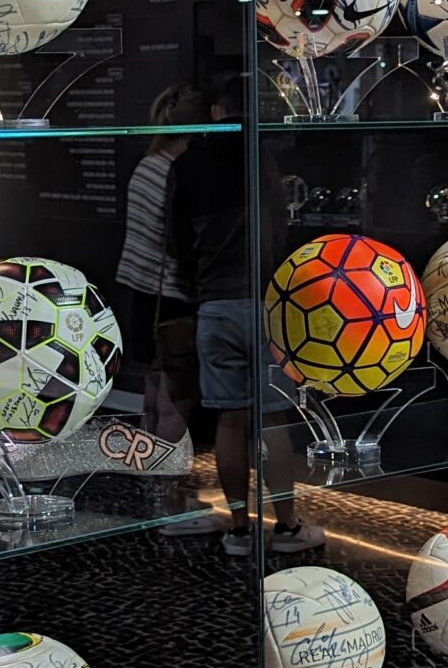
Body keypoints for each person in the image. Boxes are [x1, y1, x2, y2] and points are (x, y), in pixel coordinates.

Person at [168, 128, 319, 559]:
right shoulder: (262, 158)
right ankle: (287, 526)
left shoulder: (187, 164)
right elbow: (279, 227)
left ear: (215, 113)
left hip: (215, 305)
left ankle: (238, 529)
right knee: (272, 420)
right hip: (264, 302)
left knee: (229, 422)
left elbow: (177, 240)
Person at [110, 85, 202, 442]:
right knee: (175, 394)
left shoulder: (146, 166)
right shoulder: (175, 173)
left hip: (144, 298)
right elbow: (181, 243)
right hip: (171, 297)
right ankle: (166, 471)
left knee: (153, 387)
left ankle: (151, 466)